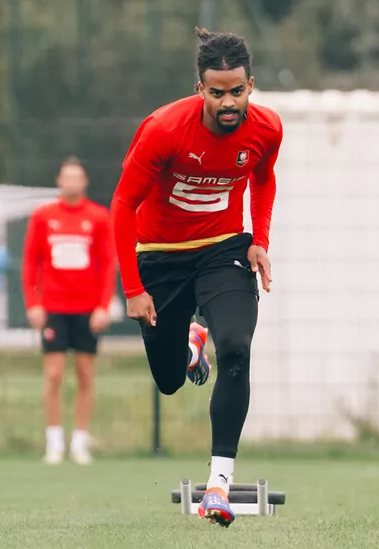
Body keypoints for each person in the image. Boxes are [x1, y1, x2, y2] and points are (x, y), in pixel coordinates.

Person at [110, 28, 283, 527]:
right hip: (159, 258)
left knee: (235, 346)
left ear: (251, 84)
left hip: (222, 251)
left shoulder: (267, 128)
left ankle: (218, 484)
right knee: (168, 382)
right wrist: (133, 289)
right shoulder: (164, 130)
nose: (228, 103)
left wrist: (259, 240)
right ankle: (187, 346)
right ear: (199, 89)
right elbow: (122, 204)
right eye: (217, 93)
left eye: (237, 91)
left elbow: (264, 177)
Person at [21, 156, 116, 466]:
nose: (73, 182)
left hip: (87, 310)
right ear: (59, 181)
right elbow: (30, 262)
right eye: (67, 177)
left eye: (78, 177)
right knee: (53, 374)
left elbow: (107, 265)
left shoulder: (99, 217)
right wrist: (33, 303)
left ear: (84, 181)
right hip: (54, 309)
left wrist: (103, 306)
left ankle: (80, 442)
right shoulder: (43, 216)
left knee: (86, 375)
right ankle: (54, 442)